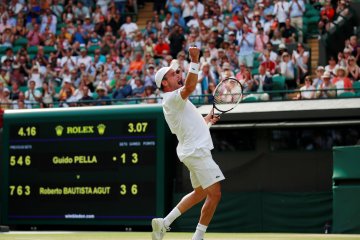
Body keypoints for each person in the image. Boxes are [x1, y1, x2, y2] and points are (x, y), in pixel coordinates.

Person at [151, 46, 224, 240]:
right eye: (173, 73)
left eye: (177, 71)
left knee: (200, 192)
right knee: (215, 193)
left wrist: (206, 120)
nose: (178, 73)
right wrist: (194, 60)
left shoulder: (176, 102)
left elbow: (191, 126)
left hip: (192, 150)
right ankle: (197, 238)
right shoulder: (171, 99)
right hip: (197, 151)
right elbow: (190, 87)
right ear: (165, 83)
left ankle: (164, 223)